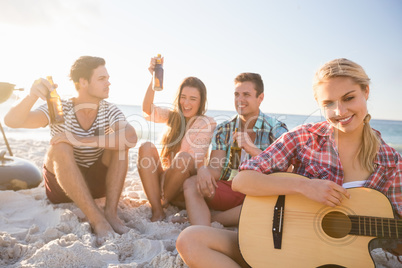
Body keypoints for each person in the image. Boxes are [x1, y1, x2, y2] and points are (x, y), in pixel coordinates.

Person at [176, 58, 402, 267]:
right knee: (190, 239)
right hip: (274, 243)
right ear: (318, 103)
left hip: (331, 260)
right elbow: (243, 180)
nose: (339, 111)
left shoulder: (391, 162)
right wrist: (305, 186)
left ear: (366, 91)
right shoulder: (304, 137)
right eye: (329, 103)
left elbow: (395, 243)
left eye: (349, 98)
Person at [4, 56, 138, 243]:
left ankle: (111, 213)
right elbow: (12, 121)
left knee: (121, 147)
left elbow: (131, 137)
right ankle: (97, 220)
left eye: (107, 78)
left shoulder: (109, 110)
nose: (108, 83)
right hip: (63, 187)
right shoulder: (59, 107)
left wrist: (81, 139)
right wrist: (31, 95)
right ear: (82, 82)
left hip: (97, 185)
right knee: (60, 147)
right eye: (102, 79)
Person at [182, 72, 287, 226]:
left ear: (260, 98)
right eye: (236, 94)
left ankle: (209, 220)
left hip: (261, 191)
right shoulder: (224, 129)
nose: (240, 100)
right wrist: (203, 170)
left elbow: (288, 168)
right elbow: (216, 168)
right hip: (231, 189)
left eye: (246, 94)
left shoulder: (276, 128)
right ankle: (203, 230)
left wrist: (253, 150)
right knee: (191, 184)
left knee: (267, 205)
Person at [138, 56, 216, 222]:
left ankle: (163, 201)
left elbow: (194, 160)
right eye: (183, 97)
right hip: (165, 181)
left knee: (184, 158)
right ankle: (158, 209)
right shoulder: (173, 117)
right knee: (146, 146)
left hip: (184, 187)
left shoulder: (207, 122)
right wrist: (153, 80)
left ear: (201, 102)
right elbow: (147, 111)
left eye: (193, 99)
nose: (186, 103)